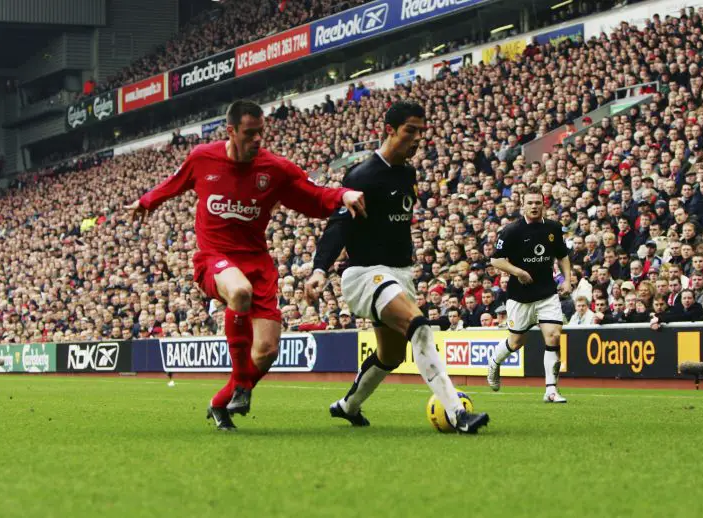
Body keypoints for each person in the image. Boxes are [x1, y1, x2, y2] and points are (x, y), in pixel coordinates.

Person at [127, 100, 366, 431]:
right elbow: (175, 182)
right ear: (231, 131)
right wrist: (146, 201)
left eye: (260, 133)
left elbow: (311, 196)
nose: (257, 140)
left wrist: (342, 196)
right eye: (250, 133)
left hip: (257, 262)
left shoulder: (274, 169)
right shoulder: (203, 158)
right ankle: (242, 386)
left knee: (267, 351)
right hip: (214, 257)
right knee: (239, 291)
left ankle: (219, 403)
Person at [305, 101, 489, 434]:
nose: (418, 138)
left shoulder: (408, 173)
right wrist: (319, 269)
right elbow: (339, 226)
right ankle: (457, 412)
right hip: (365, 274)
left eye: (422, 131)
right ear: (390, 130)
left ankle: (348, 406)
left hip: (399, 274)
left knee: (390, 356)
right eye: (411, 130)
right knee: (419, 325)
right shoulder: (362, 176)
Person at [487, 184, 572, 403]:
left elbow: (562, 255)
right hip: (520, 297)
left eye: (537, 202)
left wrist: (568, 280)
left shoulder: (554, 228)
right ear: (522, 206)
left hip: (547, 294)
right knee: (516, 343)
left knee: (553, 336)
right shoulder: (511, 231)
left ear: (544, 204)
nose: (534, 206)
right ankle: (494, 363)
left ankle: (551, 390)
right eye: (530, 203)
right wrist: (518, 272)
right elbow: (495, 259)